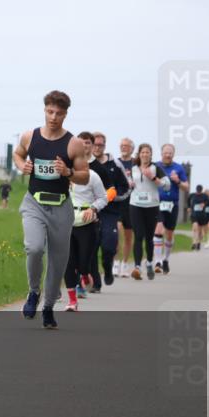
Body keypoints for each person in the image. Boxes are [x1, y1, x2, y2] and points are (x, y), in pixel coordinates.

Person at [13, 90, 90, 329]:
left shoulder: (74, 143)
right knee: (34, 248)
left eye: (58, 113)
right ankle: (33, 292)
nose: (53, 117)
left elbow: (85, 176)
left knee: (58, 261)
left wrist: (68, 172)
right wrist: (22, 166)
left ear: (65, 115)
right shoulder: (30, 136)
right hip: (34, 203)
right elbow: (17, 154)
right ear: (44, 110)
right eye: (50, 112)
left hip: (61, 207)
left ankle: (48, 308)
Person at [64, 132, 110, 311]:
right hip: (67, 222)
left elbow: (103, 198)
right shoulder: (65, 173)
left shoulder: (93, 176)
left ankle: (84, 274)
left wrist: (93, 208)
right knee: (69, 263)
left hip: (87, 223)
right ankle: (72, 301)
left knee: (83, 263)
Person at [88, 132, 129, 287]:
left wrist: (112, 197)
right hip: (91, 210)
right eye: (95, 144)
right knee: (91, 247)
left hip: (110, 212)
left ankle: (108, 268)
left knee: (109, 246)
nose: (97, 147)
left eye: (101, 145)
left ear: (105, 146)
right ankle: (96, 283)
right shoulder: (85, 163)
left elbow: (126, 188)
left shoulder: (115, 164)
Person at [128, 143, 171, 280]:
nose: (145, 154)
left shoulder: (156, 168)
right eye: (143, 152)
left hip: (152, 206)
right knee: (138, 235)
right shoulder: (133, 168)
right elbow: (128, 184)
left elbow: (167, 186)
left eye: (147, 152)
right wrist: (129, 183)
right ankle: (137, 267)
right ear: (139, 154)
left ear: (151, 154)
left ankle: (149, 263)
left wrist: (153, 178)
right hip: (135, 205)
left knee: (148, 237)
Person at [154, 144, 189, 273]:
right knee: (158, 229)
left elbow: (186, 187)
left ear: (173, 154)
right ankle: (157, 261)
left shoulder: (178, 168)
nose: (168, 155)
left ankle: (166, 259)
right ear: (161, 153)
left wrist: (178, 181)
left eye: (170, 153)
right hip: (157, 203)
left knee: (169, 234)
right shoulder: (155, 166)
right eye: (166, 153)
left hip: (172, 204)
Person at [115, 138, 136, 277]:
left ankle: (125, 263)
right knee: (116, 233)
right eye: (122, 145)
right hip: (117, 202)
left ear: (132, 149)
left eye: (127, 146)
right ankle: (115, 262)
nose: (124, 148)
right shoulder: (115, 163)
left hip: (131, 203)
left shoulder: (135, 163)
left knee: (128, 235)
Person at [189, 185, 207, 251]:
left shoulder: (205, 196)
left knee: (200, 231)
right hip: (194, 214)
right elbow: (188, 201)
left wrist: (204, 204)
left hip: (202, 215)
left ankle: (198, 242)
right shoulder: (192, 195)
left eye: (199, 191)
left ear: (201, 190)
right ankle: (194, 243)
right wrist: (189, 207)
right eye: (197, 191)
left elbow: (208, 202)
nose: (198, 192)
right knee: (195, 228)